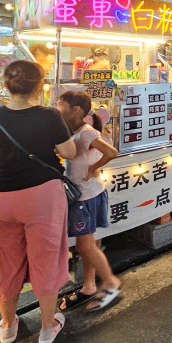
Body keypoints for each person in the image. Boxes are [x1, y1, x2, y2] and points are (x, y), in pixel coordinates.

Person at [0, 60, 76, 343]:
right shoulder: (49, 116)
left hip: (2, 198)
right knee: (45, 258)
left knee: (6, 260)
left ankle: (7, 325)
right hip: (41, 197)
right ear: (40, 86)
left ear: (6, 85)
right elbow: (68, 152)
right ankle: (47, 325)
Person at [56, 91, 121, 312]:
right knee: (90, 244)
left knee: (85, 245)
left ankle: (111, 282)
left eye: (60, 104)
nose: (57, 107)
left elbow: (112, 152)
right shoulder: (74, 132)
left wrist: (92, 169)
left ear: (76, 110)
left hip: (86, 195)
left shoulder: (85, 132)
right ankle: (89, 285)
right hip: (86, 194)